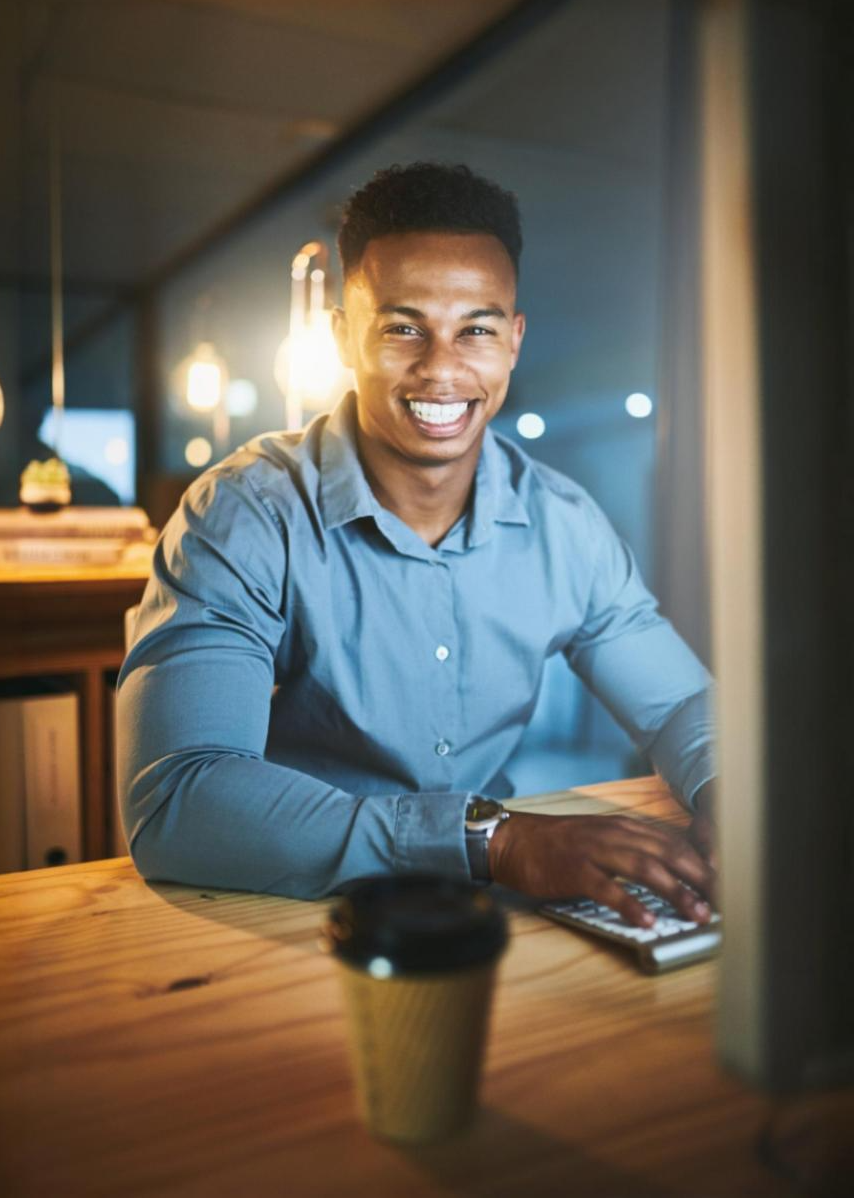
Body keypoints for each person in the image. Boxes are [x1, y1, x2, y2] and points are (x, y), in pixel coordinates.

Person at [117, 162, 716, 928]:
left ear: (514, 341)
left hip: (477, 915)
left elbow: (679, 705)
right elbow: (180, 799)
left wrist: (734, 801)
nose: (441, 369)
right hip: (283, 910)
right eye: (403, 328)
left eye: (477, 329)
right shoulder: (243, 515)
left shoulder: (564, 524)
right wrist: (489, 841)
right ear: (342, 336)